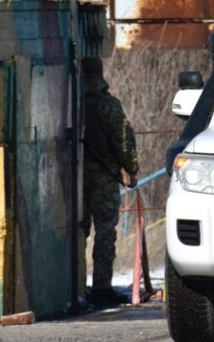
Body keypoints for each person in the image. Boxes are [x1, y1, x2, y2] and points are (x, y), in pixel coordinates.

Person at [80, 57, 139, 306]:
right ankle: (102, 287)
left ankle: (74, 286)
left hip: (73, 176)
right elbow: (122, 140)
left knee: (76, 231)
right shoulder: (108, 105)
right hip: (104, 177)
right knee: (105, 230)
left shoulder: (71, 101)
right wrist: (131, 168)